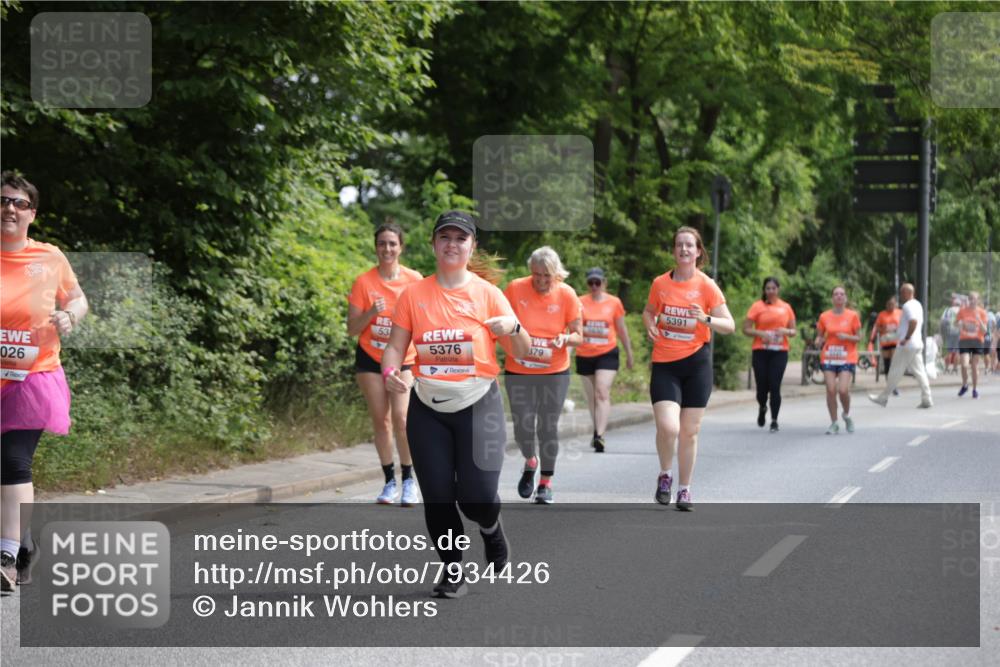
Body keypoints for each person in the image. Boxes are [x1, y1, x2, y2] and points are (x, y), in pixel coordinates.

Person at [382, 210, 530, 599]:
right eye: (444, 237)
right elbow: (394, 347)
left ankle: (490, 529)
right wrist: (391, 371)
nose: (452, 244)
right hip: (427, 407)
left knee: (478, 496)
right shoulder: (413, 295)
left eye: (460, 238)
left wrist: (513, 328)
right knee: (438, 495)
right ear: (433, 244)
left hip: (477, 403)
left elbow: (524, 348)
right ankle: (452, 568)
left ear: (471, 246)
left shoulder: (488, 295)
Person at [1, 172, 88, 593]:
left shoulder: (49, 257)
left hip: (30, 376)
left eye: (18, 203)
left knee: (13, 463)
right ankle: (24, 544)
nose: (9, 209)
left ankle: (5, 555)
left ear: (31, 213)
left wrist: (70, 315)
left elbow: (76, 297)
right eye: (3, 201)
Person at [642, 227, 735, 511]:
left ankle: (684, 489)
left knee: (689, 432)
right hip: (666, 364)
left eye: (689, 245)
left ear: (698, 252)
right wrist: (649, 324)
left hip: (696, 364)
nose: (684, 249)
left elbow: (729, 325)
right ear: (674, 251)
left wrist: (705, 318)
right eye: (679, 245)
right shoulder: (660, 283)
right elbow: (648, 311)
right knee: (669, 427)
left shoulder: (706, 285)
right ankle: (665, 474)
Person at [347, 222, 423, 506]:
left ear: (400, 247)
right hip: (370, 358)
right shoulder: (364, 283)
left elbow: (426, 318)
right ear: (376, 247)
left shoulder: (415, 280)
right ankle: (389, 480)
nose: (387, 248)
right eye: (382, 243)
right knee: (382, 420)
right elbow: (351, 329)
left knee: (403, 419)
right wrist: (370, 312)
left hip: (405, 358)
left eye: (392, 243)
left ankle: (409, 481)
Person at [500, 247, 582, 504]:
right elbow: (500, 321)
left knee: (547, 426)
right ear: (530, 271)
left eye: (547, 276)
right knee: (523, 427)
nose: (542, 281)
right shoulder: (514, 288)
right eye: (537, 275)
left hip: (554, 372)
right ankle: (530, 461)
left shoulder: (567, 294)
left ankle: (546, 482)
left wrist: (565, 338)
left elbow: (579, 336)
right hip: (519, 370)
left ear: (556, 274)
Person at [575, 267, 634, 452]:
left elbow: (622, 330)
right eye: (590, 283)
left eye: (597, 282)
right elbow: (574, 329)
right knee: (592, 397)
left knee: (601, 391)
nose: (594, 286)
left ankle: (599, 435)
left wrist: (629, 354)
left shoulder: (614, 303)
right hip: (584, 354)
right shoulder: (579, 302)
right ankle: (596, 430)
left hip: (607, 353)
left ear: (604, 283)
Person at [742, 277, 796, 432]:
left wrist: (785, 331)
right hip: (760, 350)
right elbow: (745, 328)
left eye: (773, 288)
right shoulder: (757, 306)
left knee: (775, 385)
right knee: (762, 388)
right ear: (764, 290)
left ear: (778, 289)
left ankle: (774, 420)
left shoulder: (786, 307)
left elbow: (793, 331)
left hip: (779, 352)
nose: (771, 291)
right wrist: (760, 333)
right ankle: (762, 406)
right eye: (768, 288)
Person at [868, 283, 934, 409]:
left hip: (907, 345)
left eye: (902, 292)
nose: (901, 295)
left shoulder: (908, 306)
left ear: (908, 293)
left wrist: (906, 338)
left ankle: (883, 397)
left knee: (894, 371)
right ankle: (927, 398)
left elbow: (913, 322)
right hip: (917, 344)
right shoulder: (918, 304)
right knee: (920, 372)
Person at [815, 286, 862, 435]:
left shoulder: (852, 316)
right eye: (836, 294)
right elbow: (820, 335)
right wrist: (818, 340)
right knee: (830, 389)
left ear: (846, 298)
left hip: (847, 356)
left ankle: (846, 415)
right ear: (832, 298)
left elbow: (859, 337)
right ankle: (834, 422)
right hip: (829, 356)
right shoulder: (824, 316)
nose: (839, 297)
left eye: (842, 294)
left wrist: (847, 337)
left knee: (842, 390)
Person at [956, 291, 988, 398]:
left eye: (974, 298)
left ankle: (975, 389)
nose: (972, 300)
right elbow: (957, 324)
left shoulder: (982, 312)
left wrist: (979, 319)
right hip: (964, 340)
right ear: (968, 300)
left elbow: (984, 331)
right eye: (970, 298)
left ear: (978, 300)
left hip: (977, 340)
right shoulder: (962, 311)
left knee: (974, 365)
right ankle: (965, 384)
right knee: (964, 364)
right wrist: (959, 324)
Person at [869, 295, 902, 395]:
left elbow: (905, 325)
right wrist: (884, 329)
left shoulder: (900, 313)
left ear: (895, 304)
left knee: (894, 363)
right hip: (886, 341)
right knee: (887, 364)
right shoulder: (882, 315)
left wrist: (898, 330)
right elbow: (877, 328)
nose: (890, 306)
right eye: (888, 304)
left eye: (892, 304)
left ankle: (894, 385)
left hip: (896, 341)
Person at [939, 295, 962, 373]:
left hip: (949, 332)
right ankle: (955, 368)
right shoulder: (962, 310)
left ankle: (946, 368)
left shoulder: (947, 310)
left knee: (949, 351)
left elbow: (942, 321)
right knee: (957, 351)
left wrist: (941, 332)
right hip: (959, 332)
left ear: (953, 303)